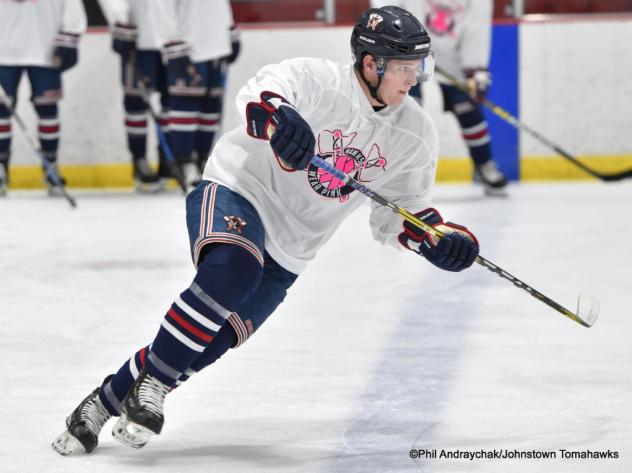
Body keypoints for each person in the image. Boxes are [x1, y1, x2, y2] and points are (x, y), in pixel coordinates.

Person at [52, 6, 480, 456]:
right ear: (371, 64)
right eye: (405, 68)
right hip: (240, 188)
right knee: (234, 271)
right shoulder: (319, 80)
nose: (415, 79)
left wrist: (434, 239)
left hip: (292, 248)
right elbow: (262, 93)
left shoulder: (414, 133)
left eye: (420, 67)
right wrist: (279, 119)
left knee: (211, 340)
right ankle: (154, 383)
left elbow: (401, 214)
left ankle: (99, 405)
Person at [371, 0, 508, 195]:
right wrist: (397, 44)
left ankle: (484, 165)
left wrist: (475, 68)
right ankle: (391, 172)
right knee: (404, 111)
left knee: (467, 109)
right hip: (408, 55)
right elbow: (386, 10)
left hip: (453, 61)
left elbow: (477, 26)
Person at [0, 0, 87, 197]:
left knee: (48, 111)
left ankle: (51, 165)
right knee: (1, 112)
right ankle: (1, 167)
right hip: (3, 52)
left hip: (45, 51)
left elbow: (74, 10)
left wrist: (67, 44)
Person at [162, 0, 240, 187]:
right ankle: (185, 162)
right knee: (185, 107)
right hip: (188, 45)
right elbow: (163, 7)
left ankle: (204, 161)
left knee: (210, 108)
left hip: (217, 44)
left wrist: (229, 30)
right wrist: (172, 42)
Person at [97, 0, 173, 192]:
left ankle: (170, 159)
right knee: (136, 103)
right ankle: (139, 160)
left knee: (174, 104)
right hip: (139, 39)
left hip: (176, 40)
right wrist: (120, 21)